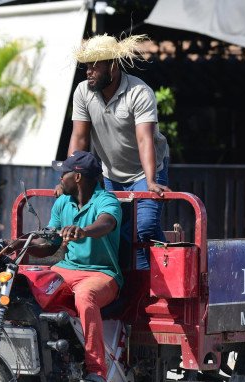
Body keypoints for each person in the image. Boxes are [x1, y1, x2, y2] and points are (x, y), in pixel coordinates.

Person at [66, 34, 171, 269]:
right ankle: (128, 285)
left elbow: (145, 140)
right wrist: (69, 176)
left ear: (112, 66)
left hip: (144, 172)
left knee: (144, 226)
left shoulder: (139, 92)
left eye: (95, 66)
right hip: (111, 172)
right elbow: (79, 137)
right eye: (87, 66)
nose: (89, 71)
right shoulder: (83, 92)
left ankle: (164, 270)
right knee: (116, 229)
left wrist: (152, 181)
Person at [17, 151, 122, 382]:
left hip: (102, 274)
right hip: (66, 269)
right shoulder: (62, 202)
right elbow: (50, 243)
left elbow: (107, 222)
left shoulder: (106, 200)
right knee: (28, 285)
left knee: (86, 296)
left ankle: (97, 372)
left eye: (62, 174)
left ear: (76, 177)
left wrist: (84, 231)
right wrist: (20, 244)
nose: (58, 180)